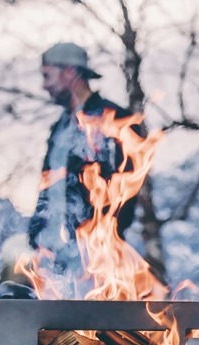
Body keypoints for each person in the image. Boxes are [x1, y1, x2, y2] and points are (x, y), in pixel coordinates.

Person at [28, 42, 137, 273]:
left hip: (96, 255)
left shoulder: (113, 119)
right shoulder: (59, 127)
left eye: (48, 76)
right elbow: (50, 185)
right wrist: (35, 235)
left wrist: (102, 239)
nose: (44, 85)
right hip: (54, 257)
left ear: (70, 72)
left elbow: (126, 189)